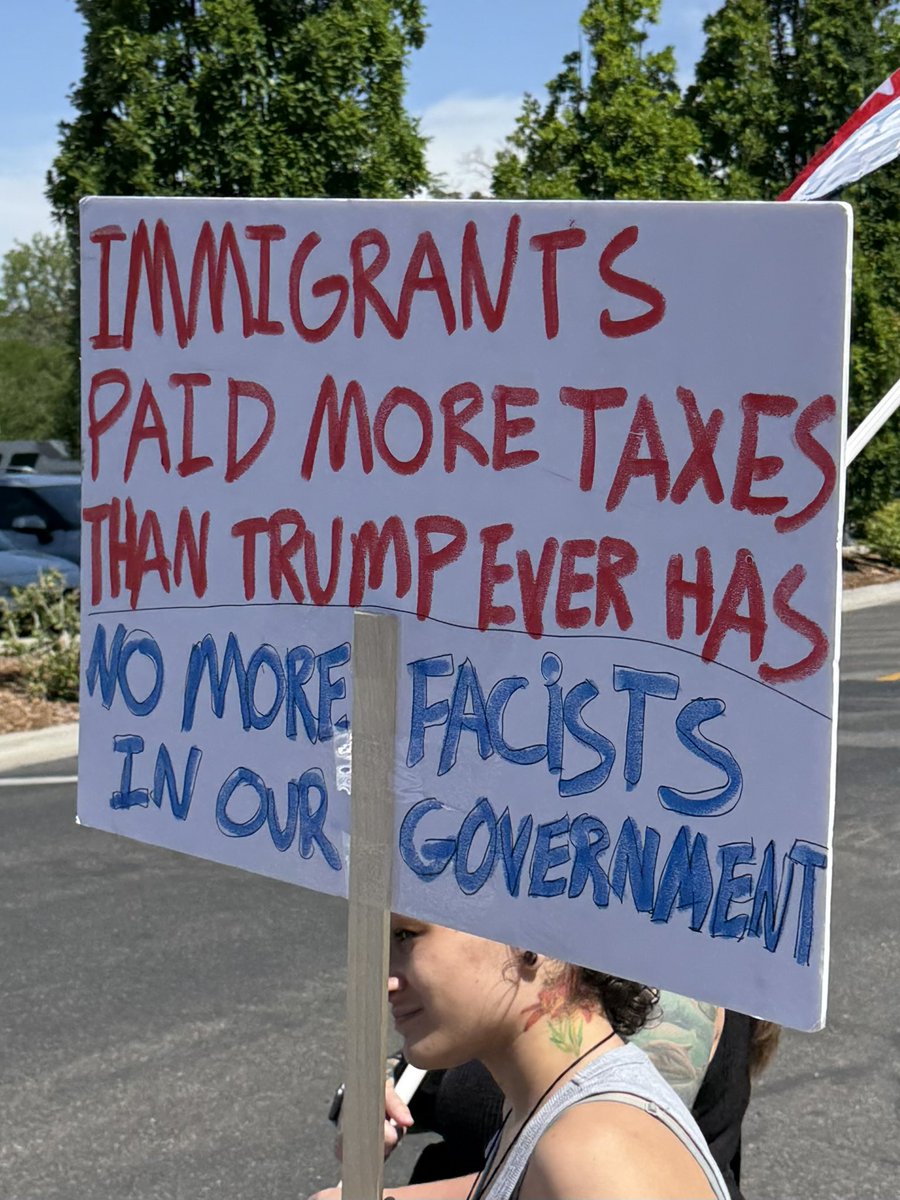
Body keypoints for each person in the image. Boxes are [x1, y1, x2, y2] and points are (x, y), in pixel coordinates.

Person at [313, 916, 731, 1200]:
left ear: (531, 937)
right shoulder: (540, 1105)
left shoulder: (596, 1152)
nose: (382, 977)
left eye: (407, 934)